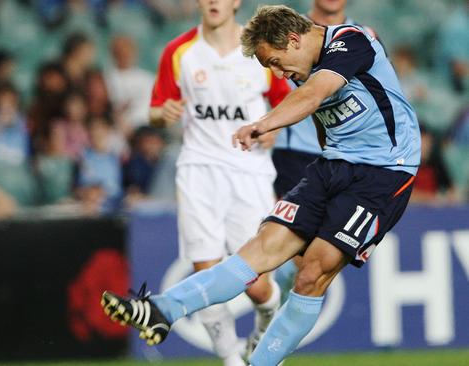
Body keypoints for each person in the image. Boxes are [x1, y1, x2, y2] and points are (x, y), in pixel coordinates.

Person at [102, 5, 421, 366]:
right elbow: (321, 115)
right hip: (333, 164)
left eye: (274, 61)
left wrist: (263, 124)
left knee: (313, 271)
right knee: (260, 248)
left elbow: (314, 96)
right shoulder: (300, 67)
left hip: (383, 173)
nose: (276, 72)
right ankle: (162, 308)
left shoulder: (352, 41)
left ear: (294, 39)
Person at [142, 1, 291, 365]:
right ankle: (231, 359)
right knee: (204, 274)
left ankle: (268, 316)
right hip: (199, 171)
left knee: (256, 284)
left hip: (249, 172)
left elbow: (288, 102)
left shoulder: (259, 49)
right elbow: (155, 110)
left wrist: (274, 127)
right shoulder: (179, 52)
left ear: (236, 2)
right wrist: (164, 114)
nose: (213, 2)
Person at [271, 0, 380, 304]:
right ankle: (271, 323)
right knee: (295, 249)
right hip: (295, 152)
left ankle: (273, 318)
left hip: (348, 158)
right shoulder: (288, 33)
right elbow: (265, 83)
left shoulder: (363, 34)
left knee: (318, 258)